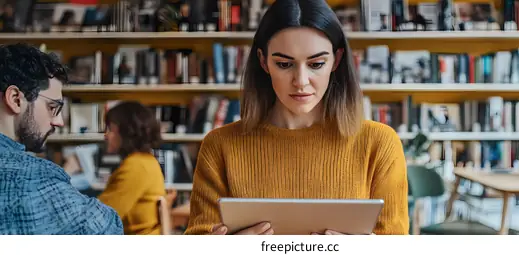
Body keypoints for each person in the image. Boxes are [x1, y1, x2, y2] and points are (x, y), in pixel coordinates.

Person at [185, 0, 409, 235]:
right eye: (284, 64)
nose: (301, 81)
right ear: (263, 62)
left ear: (337, 59)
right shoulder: (220, 146)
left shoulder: (379, 143)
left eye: (316, 64)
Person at [0, 43, 123, 234]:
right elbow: (108, 229)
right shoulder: (34, 177)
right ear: (16, 99)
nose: (58, 121)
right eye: (53, 107)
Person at [97, 101, 167, 235]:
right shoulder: (146, 160)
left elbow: (100, 216)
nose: (106, 135)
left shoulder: (136, 166)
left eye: (110, 129)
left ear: (127, 131)